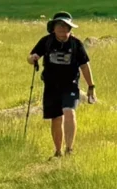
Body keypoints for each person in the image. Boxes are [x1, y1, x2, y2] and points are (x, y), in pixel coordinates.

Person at [28, 11, 96, 156]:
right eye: (59, 25)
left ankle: (69, 149)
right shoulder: (46, 41)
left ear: (70, 28)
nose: (62, 28)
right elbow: (31, 56)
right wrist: (32, 58)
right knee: (56, 118)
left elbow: (84, 66)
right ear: (53, 28)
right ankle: (58, 151)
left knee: (69, 112)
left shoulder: (76, 44)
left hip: (70, 85)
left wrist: (91, 86)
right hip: (51, 86)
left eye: (65, 26)